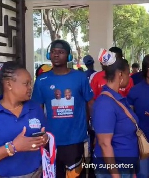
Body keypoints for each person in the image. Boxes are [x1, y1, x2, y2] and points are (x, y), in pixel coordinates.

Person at [0, 61, 49, 178]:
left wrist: (44, 139)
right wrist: (12, 147)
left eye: (30, 83)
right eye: (26, 84)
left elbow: (46, 136)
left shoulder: (35, 108)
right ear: (9, 84)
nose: (30, 88)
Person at [32, 39, 94, 178]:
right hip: (50, 140)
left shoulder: (80, 77)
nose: (56, 55)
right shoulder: (42, 80)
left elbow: (90, 103)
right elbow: (37, 109)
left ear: (69, 56)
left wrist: (91, 126)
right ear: (49, 55)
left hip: (75, 140)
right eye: (53, 52)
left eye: (61, 52)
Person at [93, 49, 139, 178]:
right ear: (120, 74)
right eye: (127, 73)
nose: (129, 77)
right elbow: (104, 143)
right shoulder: (105, 104)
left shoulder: (118, 98)